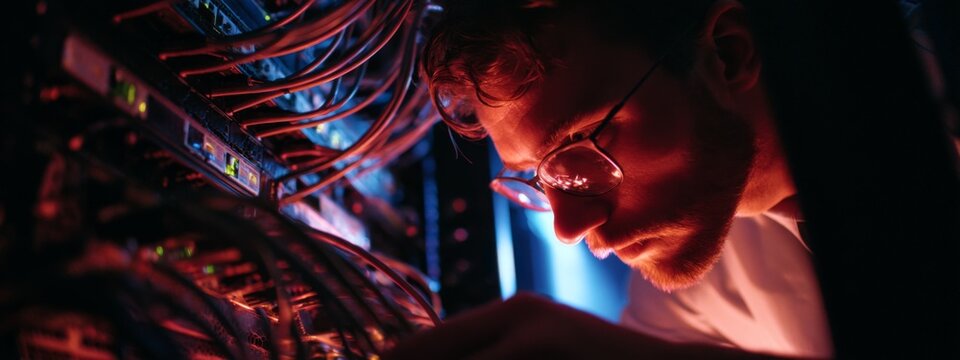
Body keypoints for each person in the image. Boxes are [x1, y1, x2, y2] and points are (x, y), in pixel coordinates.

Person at [388, 0, 833, 358]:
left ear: (726, 55)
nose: (568, 228)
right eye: (542, 179)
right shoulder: (707, 270)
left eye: (579, 146)